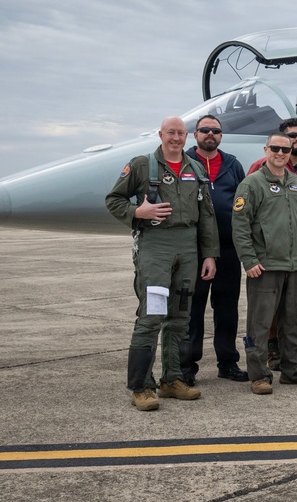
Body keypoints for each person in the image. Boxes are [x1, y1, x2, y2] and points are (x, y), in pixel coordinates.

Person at [106, 116, 219, 411]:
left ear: (187, 136)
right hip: (157, 246)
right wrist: (138, 211)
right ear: (160, 134)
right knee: (152, 316)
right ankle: (141, 387)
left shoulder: (195, 168)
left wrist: (209, 254)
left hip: (188, 248)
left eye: (181, 133)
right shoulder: (143, 165)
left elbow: (206, 215)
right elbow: (114, 199)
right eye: (171, 132)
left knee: (181, 317)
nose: (176, 138)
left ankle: (172, 380)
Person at [232, 132, 297, 394]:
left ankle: (292, 370)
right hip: (265, 267)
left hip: (295, 267)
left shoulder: (296, 184)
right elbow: (240, 226)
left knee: (294, 320)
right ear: (266, 149)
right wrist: (249, 260)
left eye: (285, 149)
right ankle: (259, 375)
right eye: (275, 148)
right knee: (259, 324)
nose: (280, 153)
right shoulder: (252, 184)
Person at [248, 118, 297, 370]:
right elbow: (246, 217)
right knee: (268, 308)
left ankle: (293, 352)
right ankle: (272, 351)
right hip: (270, 254)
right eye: (292, 136)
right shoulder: (257, 171)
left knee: (296, 306)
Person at [181, 115, 249, 385]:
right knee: (192, 310)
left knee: (227, 309)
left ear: (221, 135)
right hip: (193, 250)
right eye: (205, 130)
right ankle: (186, 367)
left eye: (216, 131)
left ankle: (228, 362)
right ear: (195, 134)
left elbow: (243, 202)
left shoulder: (232, 165)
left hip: (228, 249)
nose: (210, 134)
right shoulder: (184, 163)